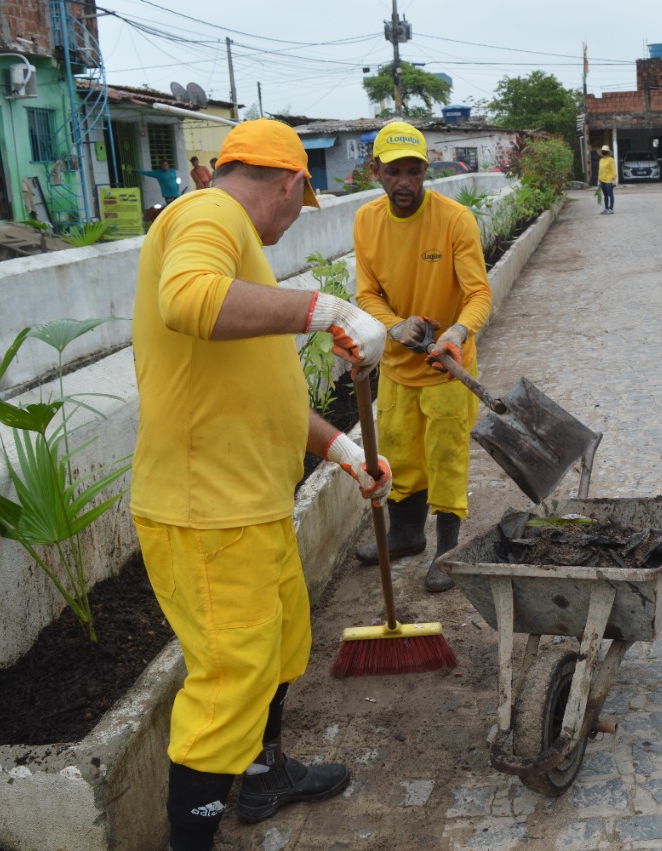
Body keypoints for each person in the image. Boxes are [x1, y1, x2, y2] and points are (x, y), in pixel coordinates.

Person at [131, 118, 392, 851]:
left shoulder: (241, 249)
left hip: (251, 504)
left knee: (279, 647)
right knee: (229, 681)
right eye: (297, 205)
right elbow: (186, 299)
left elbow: (262, 392)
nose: (290, 222)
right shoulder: (208, 211)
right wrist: (328, 308)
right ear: (287, 183)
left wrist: (342, 448)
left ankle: (266, 772)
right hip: (206, 510)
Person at [352, 121, 493, 593]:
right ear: (376, 171)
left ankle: (447, 551)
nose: (405, 183)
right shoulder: (367, 221)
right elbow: (367, 294)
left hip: (448, 368)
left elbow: (478, 295)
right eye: (394, 172)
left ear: (426, 171)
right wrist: (394, 325)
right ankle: (407, 535)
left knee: (447, 459)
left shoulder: (455, 220)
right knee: (400, 455)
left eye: (414, 171)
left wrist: (456, 330)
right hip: (397, 368)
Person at [597, 145, 617, 214]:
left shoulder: (611, 160)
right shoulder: (601, 160)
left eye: (605, 151)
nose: (604, 152)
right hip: (602, 180)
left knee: (610, 195)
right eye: (603, 151)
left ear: (607, 152)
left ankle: (611, 209)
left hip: (609, 180)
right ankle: (606, 208)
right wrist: (599, 180)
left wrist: (613, 180)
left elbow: (613, 170)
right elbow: (600, 170)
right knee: (605, 195)